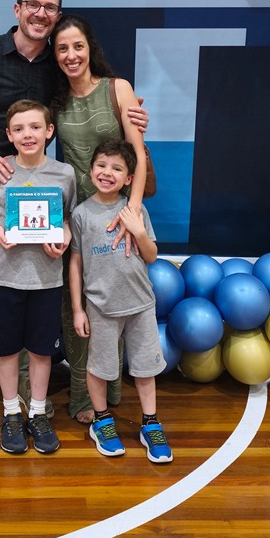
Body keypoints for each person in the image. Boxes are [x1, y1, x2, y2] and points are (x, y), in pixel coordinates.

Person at [0, 0, 146, 441]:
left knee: (37, 295)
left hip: (42, 202)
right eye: (33, 4)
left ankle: (33, 399)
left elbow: (94, 98)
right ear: (17, 9)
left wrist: (131, 114)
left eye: (50, 7)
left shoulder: (58, 65)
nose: (41, 13)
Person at [52, 14, 150, 425]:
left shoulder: (118, 88)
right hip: (76, 213)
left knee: (116, 300)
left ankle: (110, 390)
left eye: (78, 46)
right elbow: (27, 129)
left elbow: (137, 155)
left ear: (90, 48)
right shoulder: (54, 97)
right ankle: (83, 397)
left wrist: (132, 213)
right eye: (62, 48)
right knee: (77, 304)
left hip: (117, 211)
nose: (71, 55)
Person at [0, 100, 76, 454]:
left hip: (46, 280)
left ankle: (37, 412)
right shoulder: (0, 171)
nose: (27, 135)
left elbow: (68, 219)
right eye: (18, 129)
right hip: (5, 277)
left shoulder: (64, 174)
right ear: (9, 135)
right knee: (5, 350)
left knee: (40, 350)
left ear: (49, 131)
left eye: (35, 127)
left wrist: (63, 238)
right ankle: (10, 413)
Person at [69, 139, 173, 463]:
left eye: (117, 168)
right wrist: (77, 309)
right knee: (99, 367)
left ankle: (150, 423)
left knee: (144, 368)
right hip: (101, 307)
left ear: (128, 178)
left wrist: (137, 231)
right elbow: (76, 264)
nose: (107, 172)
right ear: (91, 171)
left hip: (140, 304)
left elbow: (151, 255)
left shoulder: (135, 210)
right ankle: (101, 420)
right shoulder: (81, 214)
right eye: (101, 165)